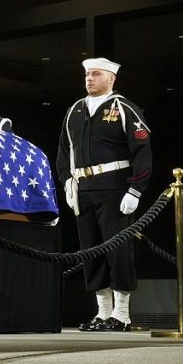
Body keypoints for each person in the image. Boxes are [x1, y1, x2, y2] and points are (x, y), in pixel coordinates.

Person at [56, 57, 152, 332]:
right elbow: (64, 151)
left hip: (115, 188)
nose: (89, 78)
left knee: (118, 251)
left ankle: (122, 314)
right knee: (92, 251)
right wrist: (66, 182)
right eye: (87, 74)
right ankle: (103, 312)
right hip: (83, 189)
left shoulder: (124, 108)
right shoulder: (74, 109)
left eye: (96, 74)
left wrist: (136, 188)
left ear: (111, 79)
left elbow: (143, 151)